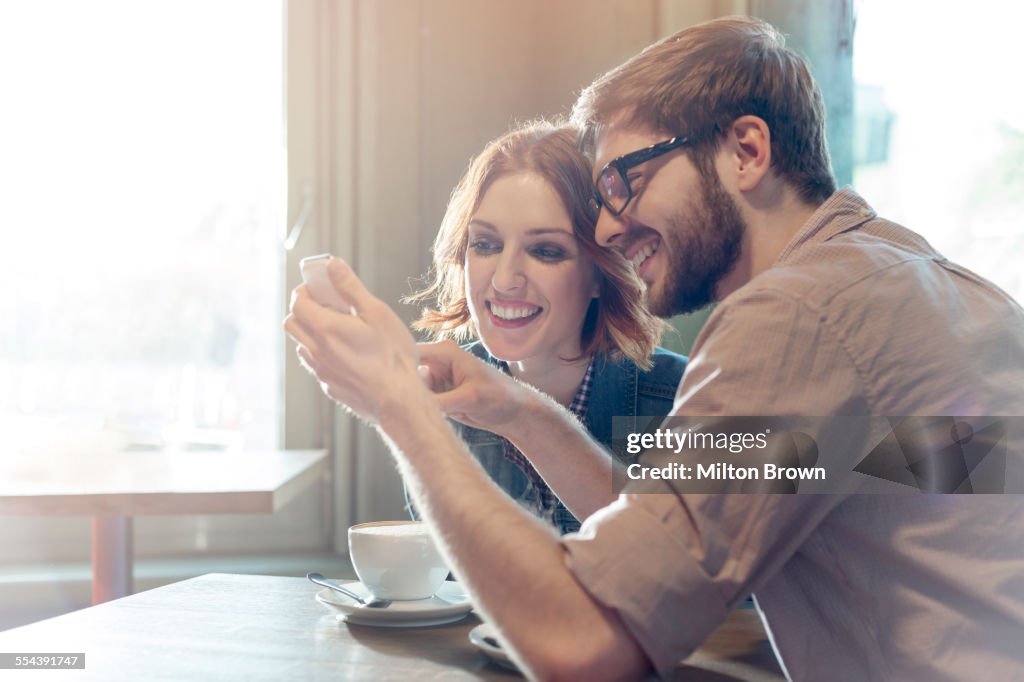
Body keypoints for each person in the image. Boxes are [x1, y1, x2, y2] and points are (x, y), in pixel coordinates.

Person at [285, 15, 1024, 681]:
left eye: (626, 180)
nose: (608, 229)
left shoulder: (794, 314)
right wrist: (520, 412)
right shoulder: (914, 287)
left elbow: (587, 646)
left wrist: (398, 405)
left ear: (746, 150)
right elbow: (676, 534)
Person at [403, 120, 686, 535]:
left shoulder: (689, 400)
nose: (504, 280)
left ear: (600, 272)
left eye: (546, 251)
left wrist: (523, 418)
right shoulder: (439, 404)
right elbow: (443, 583)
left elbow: (697, 569)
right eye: (485, 244)